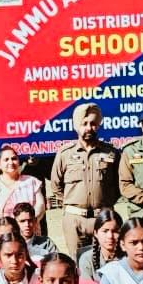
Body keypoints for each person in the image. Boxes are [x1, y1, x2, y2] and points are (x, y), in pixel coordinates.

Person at [50, 102, 120, 254]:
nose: (89, 128)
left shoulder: (110, 153)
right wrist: (73, 202)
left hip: (102, 218)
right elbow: (56, 185)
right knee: (77, 265)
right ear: (76, 126)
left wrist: (105, 204)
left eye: (93, 124)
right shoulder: (65, 154)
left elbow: (117, 185)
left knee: (107, 261)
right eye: (84, 123)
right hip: (74, 219)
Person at [0, 144, 46, 226]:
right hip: (4, 232)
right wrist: (5, 225)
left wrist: (28, 222)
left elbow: (40, 206)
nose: (10, 162)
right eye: (6, 160)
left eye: (14, 159)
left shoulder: (31, 181)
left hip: (29, 230)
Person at [77, 208, 124, 281]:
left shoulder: (128, 258)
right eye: (105, 231)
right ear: (96, 233)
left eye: (115, 231)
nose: (110, 236)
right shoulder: (87, 259)